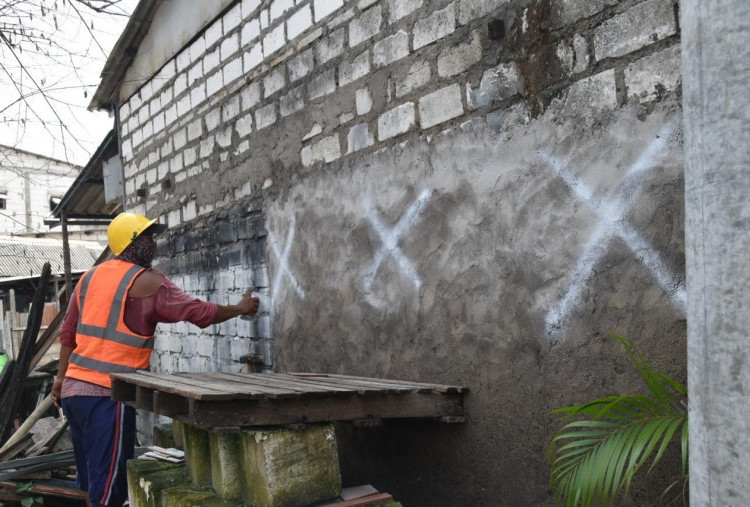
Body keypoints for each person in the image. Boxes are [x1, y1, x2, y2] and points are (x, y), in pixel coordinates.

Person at [50, 212, 258, 507]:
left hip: (74, 395)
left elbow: (68, 335)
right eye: (147, 237)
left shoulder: (88, 278)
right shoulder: (147, 281)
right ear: (132, 243)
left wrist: (60, 379)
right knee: (109, 490)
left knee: (89, 483)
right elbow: (197, 312)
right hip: (108, 396)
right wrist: (239, 308)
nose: (153, 243)